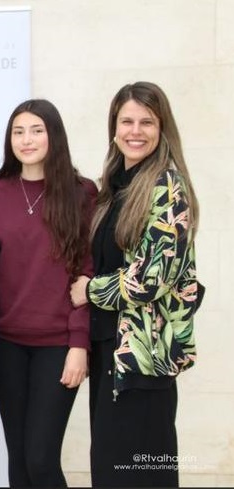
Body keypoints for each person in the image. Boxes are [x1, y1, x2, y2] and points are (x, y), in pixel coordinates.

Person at [70, 81, 200, 487]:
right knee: (112, 474)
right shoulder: (114, 188)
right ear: (114, 127)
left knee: (138, 476)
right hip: (110, 354)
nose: (135, 131)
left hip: (144, 360)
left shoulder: (167, 187)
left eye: (147, 122)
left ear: (162, 128)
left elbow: (151, 279)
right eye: (127, 121)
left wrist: (89, 291)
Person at [0, 99, 97, 487]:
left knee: (41, 458)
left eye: (36, 130)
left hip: (58, 344)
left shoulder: (81, 193)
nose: (26, 140)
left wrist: (79, 343)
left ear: (53, 135)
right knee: (19, 461)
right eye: (18, 132)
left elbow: (87, 271)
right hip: (7, 344)